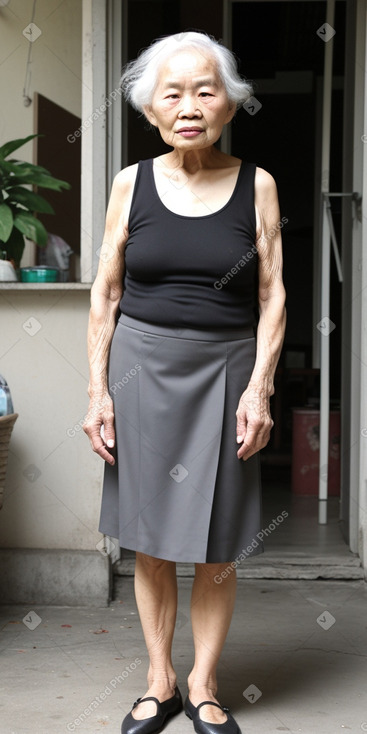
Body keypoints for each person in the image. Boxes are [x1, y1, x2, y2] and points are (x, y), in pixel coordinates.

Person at [84, 30, 286, 734]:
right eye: (172, 93)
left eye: (205, 90)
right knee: (150, 538)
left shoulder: (255, 184)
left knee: (218, 541)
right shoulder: (129, 184)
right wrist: (98, 391)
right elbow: (105, 294)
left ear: (228, 104)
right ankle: (158, 679)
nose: (189, 105)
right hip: (141, 369)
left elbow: (273, 296)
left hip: (226, 372)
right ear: (149, 110)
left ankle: (202, 683)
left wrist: (259, 388)